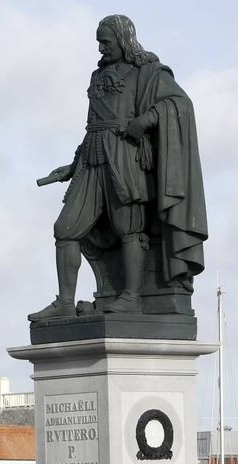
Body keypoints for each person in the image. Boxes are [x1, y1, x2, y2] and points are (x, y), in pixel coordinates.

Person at [29, 14, 207, 321]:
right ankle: (65, 302)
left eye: (106, 42)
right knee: (65, 228)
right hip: (91, 158)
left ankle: (131, 297)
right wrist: (72, 166)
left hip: (126, 157)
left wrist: (144, 121)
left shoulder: (147, 72)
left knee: (129, 228)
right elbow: (94, 126)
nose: (101, 48)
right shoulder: (97, 76)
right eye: (98, 42)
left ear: (124, 40)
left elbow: (179, 104)